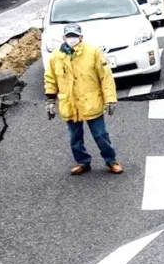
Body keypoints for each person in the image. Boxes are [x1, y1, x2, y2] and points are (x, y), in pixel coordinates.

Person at [44, 23, 124, 175]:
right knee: (75, 137)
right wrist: (50, 100)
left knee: (100, 135)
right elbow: (50, 79)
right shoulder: (56, 56)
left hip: (91, 102)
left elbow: (105, 77)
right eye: (69, 36)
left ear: (81, 37)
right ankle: (83, 162)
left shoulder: (93, 52)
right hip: (70, 104)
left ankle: (111, 161)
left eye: (75, 36)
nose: (72, 39)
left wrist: (110, 99)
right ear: (63, 38)